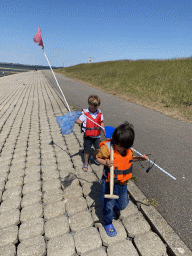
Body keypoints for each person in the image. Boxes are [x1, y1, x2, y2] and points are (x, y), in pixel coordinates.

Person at [96, 122, 148, 237]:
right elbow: (98, 158)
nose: (120, 148)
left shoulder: (128, 150)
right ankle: (108, 222)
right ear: (114, 139)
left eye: (124, 147)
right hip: (110, 183)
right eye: (118, 145)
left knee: (123, 204)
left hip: (123, 183)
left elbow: (129, 159)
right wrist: (106, 162)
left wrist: (140, 159)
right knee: (108, 205)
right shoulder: (107, 148)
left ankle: (115, 208)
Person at [76, 95, 105, 171]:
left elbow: (101, 122)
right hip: (88, 136)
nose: (93, 109)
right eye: (91, 107)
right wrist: (76, 121)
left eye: (95, 108)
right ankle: (86, 162)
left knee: (98, 148)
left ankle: (93, 156)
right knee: (87, 150)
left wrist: (104, 130)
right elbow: (80, 121)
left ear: (98, 106)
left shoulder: (99, 112)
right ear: (89, 104)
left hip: (96, 136)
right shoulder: (85, 113)